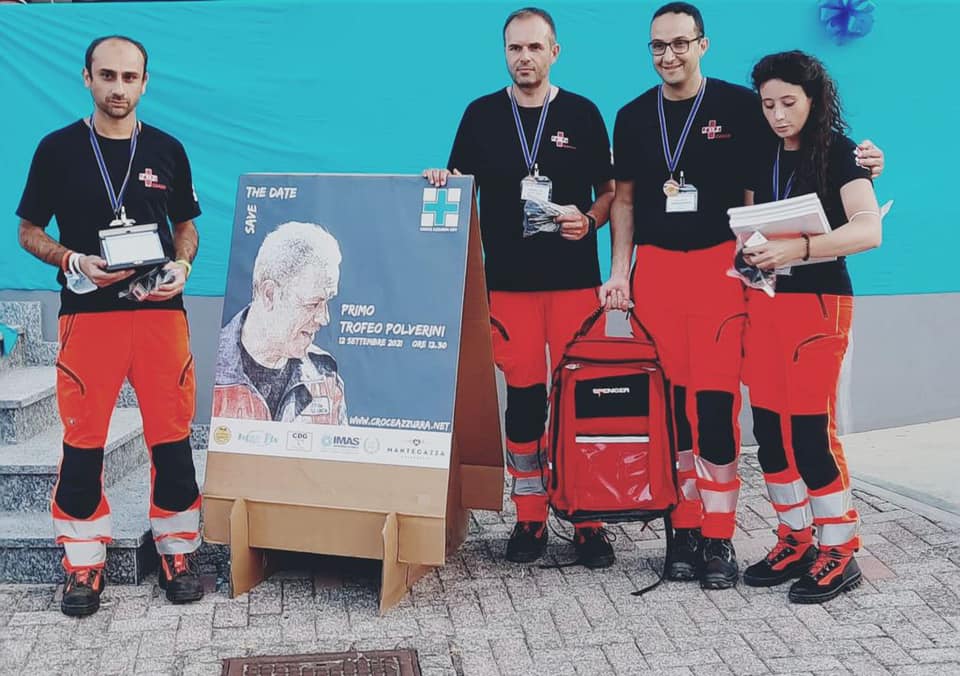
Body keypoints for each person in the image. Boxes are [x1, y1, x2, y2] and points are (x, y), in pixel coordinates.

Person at [600, 2, 884, 589]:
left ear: (702, 44)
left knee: (730, 413)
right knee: (703, 416)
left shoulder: (745, 110)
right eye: (658, 45)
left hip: (737, 282)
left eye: (680, 42)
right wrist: (620, 272)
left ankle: (725, 536)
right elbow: (624, 200)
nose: (669, 54)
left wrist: (867, 163)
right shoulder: (633, 116)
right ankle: (698, 529)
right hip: (684, 280)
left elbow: (837, 181)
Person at [16, 35, 204, 616]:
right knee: (83, 442)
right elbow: (28, 231)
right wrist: (72, 260)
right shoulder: (57, 150)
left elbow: (186, 226)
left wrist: (182, 266)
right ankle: (83, 563)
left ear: (145, 82)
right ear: (87, 78)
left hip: (159, 316)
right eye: (107, 75)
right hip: (88, 318)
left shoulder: (168, 149)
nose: (118, 87)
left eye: (129, 77)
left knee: (172, 438)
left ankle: (177, 551)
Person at [423, 7, 616, 567]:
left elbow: (609, 193)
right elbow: (459, 185)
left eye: (534, 47)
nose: (524, 57)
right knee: (526, 401)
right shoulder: (481, 115)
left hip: (575, 285)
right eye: (514, 48)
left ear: (555, 51)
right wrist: (441, 180)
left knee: (581, 399)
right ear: (504, 53)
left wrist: (591, 219)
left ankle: (588, 518)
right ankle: (529, 515)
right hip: (508, 287)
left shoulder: (582, 113)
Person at [737, 50, 881, 603]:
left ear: (814, 100)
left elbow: (868, 230)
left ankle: (840, 549)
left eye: (789, 103)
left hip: (819, 304)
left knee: (810, 433)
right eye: (768, 104)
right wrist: (752, 256)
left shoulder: (841, 152)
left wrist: (798, 248)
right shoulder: (762, 153)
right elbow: (751, 225)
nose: (778, 115)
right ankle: (795, 538)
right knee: (770, 433)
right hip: (765, 302)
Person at [213, 221, 347, 425]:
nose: (324, 318)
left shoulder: (325, 376)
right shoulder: (210, 364)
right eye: (312, 304)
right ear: (270, 294)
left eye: (326, 302)